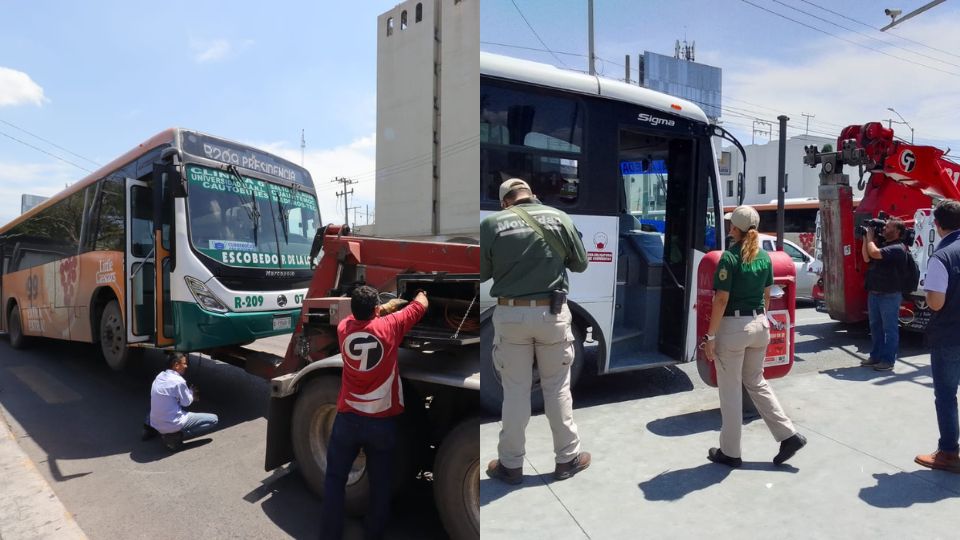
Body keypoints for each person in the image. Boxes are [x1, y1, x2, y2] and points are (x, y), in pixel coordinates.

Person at [481, 177, 590, 484]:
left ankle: (511, 465)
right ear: (533, 196)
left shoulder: (492, 224)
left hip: (510, 316)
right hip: (552, 314)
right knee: (557, 388)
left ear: (505, 202)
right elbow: (580, 264)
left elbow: (482, 272)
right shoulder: (560, 218)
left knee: (515, 391)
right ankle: (567, 460)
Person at [321, 285, 428, 540]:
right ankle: (374, 531)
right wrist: (421, 292)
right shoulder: (389, 326)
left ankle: (330, 533)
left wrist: (381, 309)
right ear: (377, 310)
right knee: (381, 482)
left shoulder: (343, 328)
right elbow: (419, 305)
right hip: (381, 422)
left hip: (348, 419)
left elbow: (361, 317)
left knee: (335, 478)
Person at [703, 205, 806, 468]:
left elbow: (721, 299)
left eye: (730, 224)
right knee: (756, 381)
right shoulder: (764, 257)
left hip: (734, 327)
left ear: (735, 229)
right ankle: (788, 435)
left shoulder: (729, 258)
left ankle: (731, 452)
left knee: (730, 391)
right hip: (760, 324)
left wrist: (711, 336)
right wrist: (759, 319)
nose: (729, 228)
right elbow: (767, 294)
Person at [915, 200, 960, 473]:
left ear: (938, 225)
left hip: (950, 335)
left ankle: (947, 453)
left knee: (946, 394)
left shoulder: (942, 257)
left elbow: (935, 303)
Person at [861, 217, 908, 371]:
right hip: (874, 293)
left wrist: (870, 239)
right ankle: (876, 356)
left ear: (898, 232)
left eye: (888, 227)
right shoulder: (882, 245)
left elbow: (873, 253)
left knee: (890, 329)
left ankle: (888, 361)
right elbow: (867, 257)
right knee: (875, 327)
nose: (884, 229)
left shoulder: (898, 248)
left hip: (889, 295)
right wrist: (865, 239)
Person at [147, 353, 219, 451]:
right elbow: (186, 403)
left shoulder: (159, 377)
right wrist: (192, 394)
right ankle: (174, 437)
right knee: (214, 419)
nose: (186, 366)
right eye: (184, 363)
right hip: (173, 422)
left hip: (155, 422)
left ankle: (152, 430)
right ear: (176, 365)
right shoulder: (178, 381)